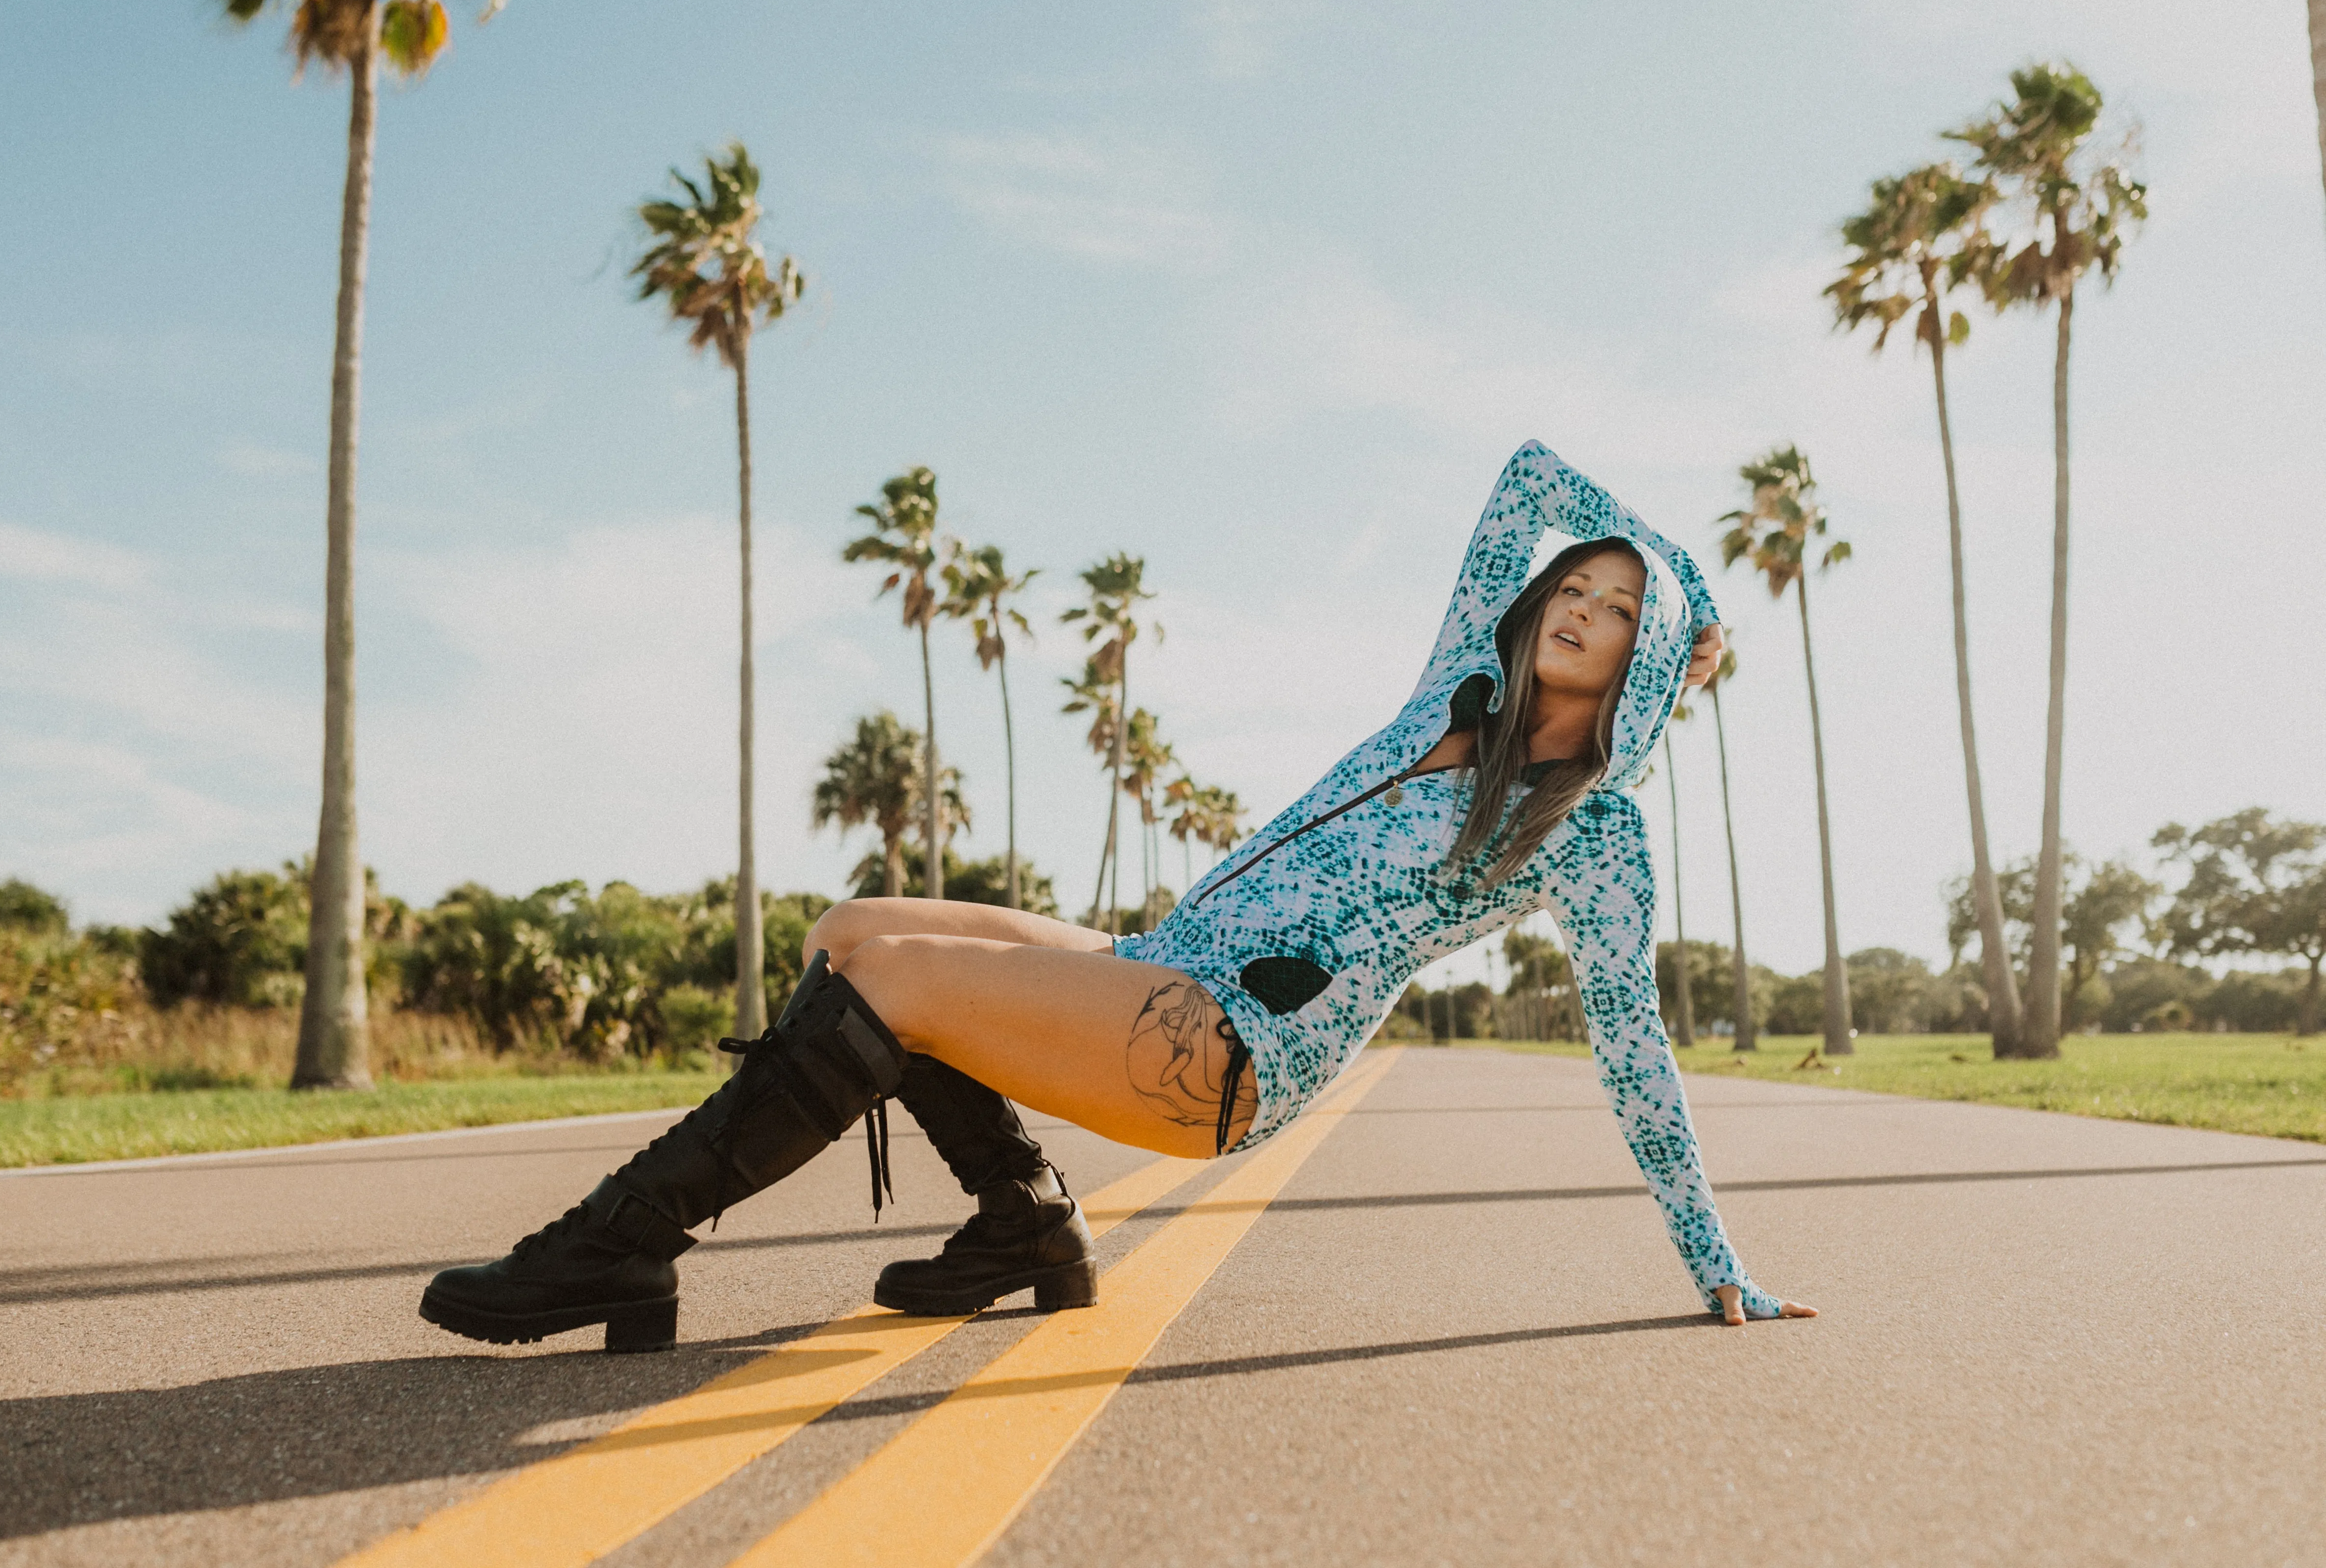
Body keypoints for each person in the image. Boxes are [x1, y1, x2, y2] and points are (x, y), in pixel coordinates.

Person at [420, 439, 1815, 1353]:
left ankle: (617, 1250)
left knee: (893, 986)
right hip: (1158, 958)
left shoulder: (1595, 830)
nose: (1579, 601)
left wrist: (1711, 1256)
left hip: (1229, 1048)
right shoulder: (1449, 690)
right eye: (1579, 582)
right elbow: (1525, 475)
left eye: (1623, 609)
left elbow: (1633, 1046)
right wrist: (1675, 567)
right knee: (851, 934)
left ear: (1652, 661)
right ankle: (1024, 1219)